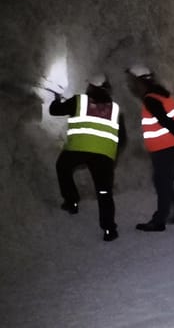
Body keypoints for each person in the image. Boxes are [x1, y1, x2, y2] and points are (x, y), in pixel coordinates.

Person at [48, 74, 124, 242]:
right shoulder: (115, 109)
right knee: (104, 192)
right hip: (103, 156)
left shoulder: (79, 101)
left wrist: (56, 99)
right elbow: (122, 137)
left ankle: (71, 202)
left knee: (63, 167)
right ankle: (109, 230)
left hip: (78, 150)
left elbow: (55, 111)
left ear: (90, 87)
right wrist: (113, 156)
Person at [126, 65, 174, 231]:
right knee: (163, 181)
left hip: (165, 149)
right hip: (170, 147)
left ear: (141, 82)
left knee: (162, 182)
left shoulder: (151, 99)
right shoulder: (162, 94)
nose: (132, 85)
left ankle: (159, 220)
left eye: (133, 82)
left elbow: (165, 120)